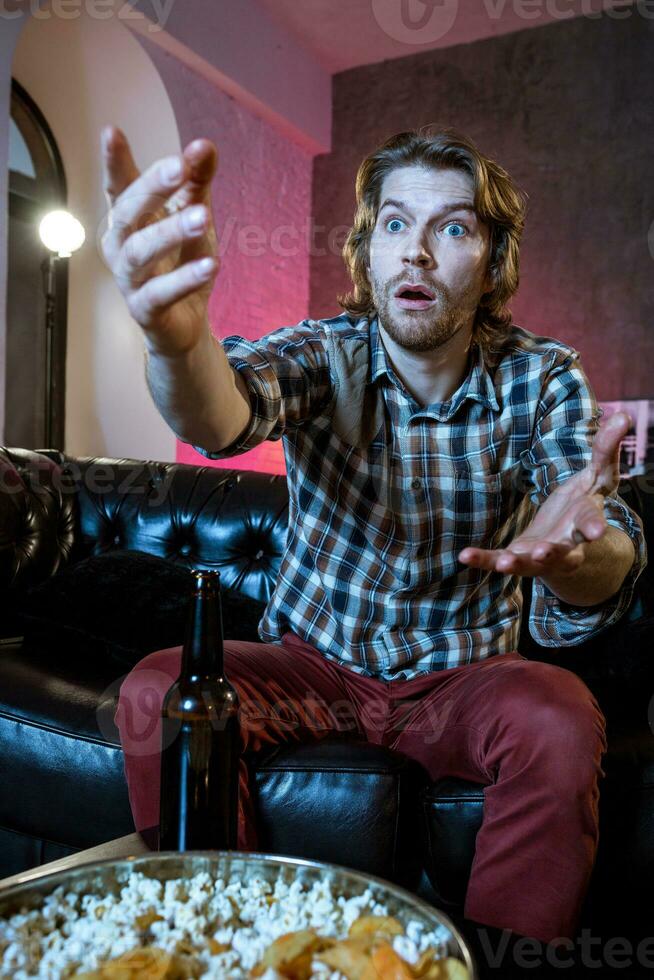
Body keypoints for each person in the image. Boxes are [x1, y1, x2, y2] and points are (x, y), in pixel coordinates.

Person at [101, 124, 646, 958]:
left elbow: (596, 547)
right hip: (313, 664)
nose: (418, 252)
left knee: (561, 716)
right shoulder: (326, 353)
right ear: (368, 249)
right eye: (396, 224)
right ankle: (236, 950)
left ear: (493, 259)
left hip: (463, 679)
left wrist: (580, 557)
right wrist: (175, 343)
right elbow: (220, 409)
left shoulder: (542, 378)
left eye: (453, 227)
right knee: (158, 692)